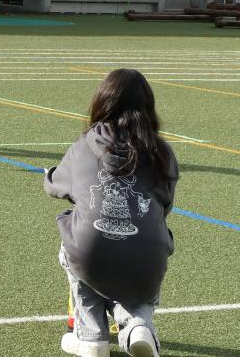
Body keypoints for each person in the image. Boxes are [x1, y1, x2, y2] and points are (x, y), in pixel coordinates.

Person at [43, 69, 179, 357]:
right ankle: (138, 324)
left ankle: (91, 336)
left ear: (102, 102)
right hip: (147, 255)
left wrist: (52, 175)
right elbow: (165, 205)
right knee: (135, 258)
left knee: (78, 243)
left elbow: (55, 186)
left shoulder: (87, 143)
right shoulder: (162, 152)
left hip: (92, 252)